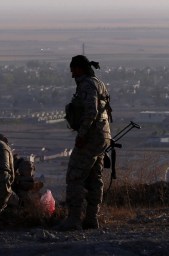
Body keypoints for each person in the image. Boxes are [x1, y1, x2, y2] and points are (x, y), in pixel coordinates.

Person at [55, 55, 111, 231]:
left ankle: (73, 220)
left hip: (91, 137)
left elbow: (91, 111)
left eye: (73, 70)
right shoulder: (98, 83)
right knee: (95, 178)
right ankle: (91, 219)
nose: (72, 74)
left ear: (79, 68)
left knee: (75, 176)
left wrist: (83, 134)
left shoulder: (87, 84)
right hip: (102, 136)